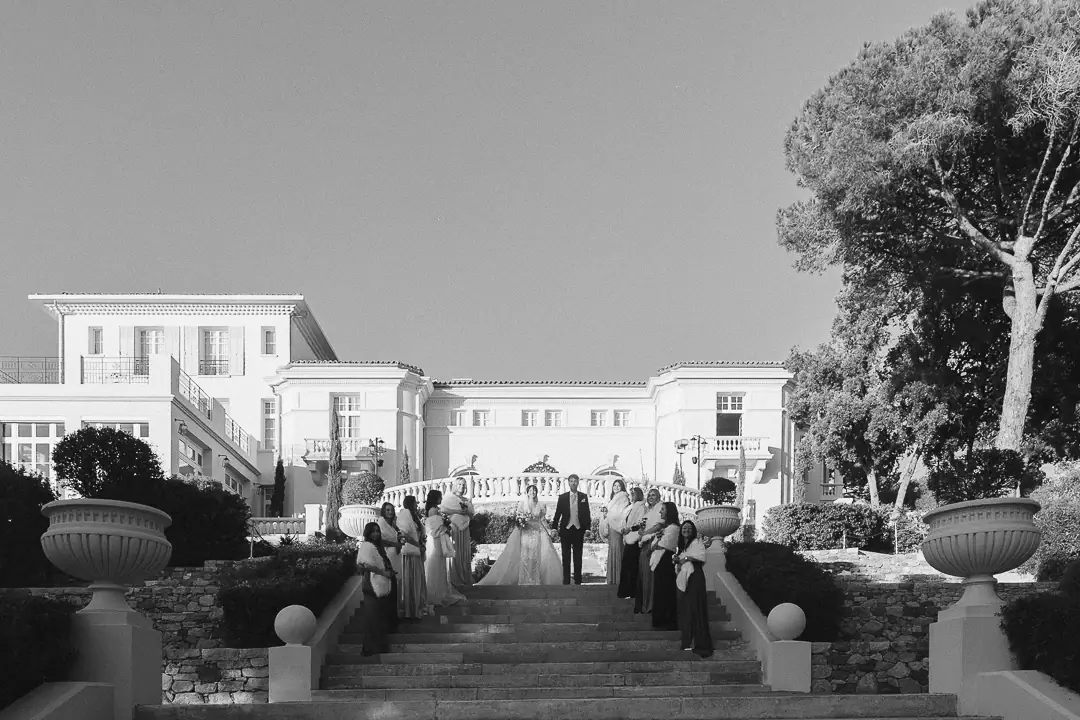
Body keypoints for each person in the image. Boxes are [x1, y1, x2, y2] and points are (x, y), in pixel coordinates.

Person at [477, 484, 563, 585]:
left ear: (536, 492)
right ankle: (525, 578)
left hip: (538, 533)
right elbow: (518, 517)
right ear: (527, 492)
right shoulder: (522, 505)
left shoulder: (541, 505)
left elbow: (542, 520)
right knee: (525, 555)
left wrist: (549, 531)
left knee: (537, 556)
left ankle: (536, 579)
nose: (532, 492)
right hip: (525, 533)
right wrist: (521, 522)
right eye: (530, 490)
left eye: (534, 490)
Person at [355, 521, 396, 656]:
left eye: (377, 531)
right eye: (373, 531)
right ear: (368, 533)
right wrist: (383, 573)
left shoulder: (378, 547)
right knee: (372, 617)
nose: (376, 534)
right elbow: (365, 565)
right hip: (371, 585)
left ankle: (380, 646)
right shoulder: (367, 546)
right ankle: (370, 648)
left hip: (382, 585)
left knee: (380, 617)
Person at [676, 520, 714, 657]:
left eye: (689, 528)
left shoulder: (697, 542)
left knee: (695, 608)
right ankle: (687, 641)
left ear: (693, 530)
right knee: (686, 610)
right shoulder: (682, 546)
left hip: (695, 578)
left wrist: (686, 558)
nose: (686, 530)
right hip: (685, 579)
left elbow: (700, 557)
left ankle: (699, 643)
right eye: (684, 528)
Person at [423, 489, 466, 608]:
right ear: (436, 498)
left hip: (435, 540)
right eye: (440, 497)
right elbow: (435, 529)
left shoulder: (432, 510)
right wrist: (446, 528)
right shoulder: (434, 510)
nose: (441, 499)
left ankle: (438, 591)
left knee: (437, 565)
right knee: (435, 564)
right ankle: (436, 593)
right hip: (436, 541)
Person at [551, 474, 592, 585]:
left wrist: (588, 528)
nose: (573, 483)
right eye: (571, 481)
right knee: (566, 557)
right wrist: (554, 527)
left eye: (575, 481)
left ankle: (578, 581)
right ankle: (566, 581)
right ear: (568, 483)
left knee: (578, 557)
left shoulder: (583, 497)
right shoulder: (562, 497)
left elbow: (587, 514)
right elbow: (557, 514)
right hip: (566, 530)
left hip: (579, 530)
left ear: (578, 483)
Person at [650, 502, 681, 630]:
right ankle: (660, 619)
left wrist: (658, 541)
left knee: (666, 591)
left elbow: (663, 545)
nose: (660, 512)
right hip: (660, 561)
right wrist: (657, 540)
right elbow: (653, 545)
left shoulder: (674, 528)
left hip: (666, 560)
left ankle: (667, 620)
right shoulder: (666, 528)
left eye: (663, 509)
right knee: (660, 591)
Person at [441, 477, 475, 588]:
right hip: (454, 528)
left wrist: (467, 512)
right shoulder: (449, 497)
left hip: (465, 529)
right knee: (455, 552)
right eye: (459, 484)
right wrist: (458, 511)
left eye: (464, 485)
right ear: (455, 485)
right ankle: (454, 578)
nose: (462, 486)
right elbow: (444, 510)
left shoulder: (467, 500)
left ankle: (465, 577)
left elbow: (472, 515)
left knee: (464, 552)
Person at [397, 495, 427, 619]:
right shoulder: (404, 515)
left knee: (417, 579)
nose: (417, 503)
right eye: (415, 502)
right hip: (409, 553)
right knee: (409, 580)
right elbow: (405, 535)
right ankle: (409, 609)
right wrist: (418, 545)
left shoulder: (415, 517)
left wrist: (422, 544)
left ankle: (416, 607)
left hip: (417, 552)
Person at [635, 488, 664, 613]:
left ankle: (651, 606)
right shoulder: (648, 511)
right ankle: (645, 605)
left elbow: (659, 525)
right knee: (644, 577)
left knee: (650, 577)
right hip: (644, 543)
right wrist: (641, 532)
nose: (651, 497)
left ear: (658, 496)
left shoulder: (660, 508)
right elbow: (643, 526)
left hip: (653, 544)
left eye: (654, 495)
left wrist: (646, 533)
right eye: (649, 495)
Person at [376, 502, 402, 632]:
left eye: (391, 510)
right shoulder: (381, 523)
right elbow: (379, 540)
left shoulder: (393, 525)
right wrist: (394, 544)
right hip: (388, 556)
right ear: (383, 511)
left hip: (396, 556)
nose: (390, 512)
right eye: (387, 510)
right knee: (389, 587)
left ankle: (394, 617)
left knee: (396, 587)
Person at [617, 487, 646, 599]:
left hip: (634, 539)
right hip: (628, 538)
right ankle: (625, 591)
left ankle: (632, 591)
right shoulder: (630, 507)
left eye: (632, 494)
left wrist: (630, 529)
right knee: (626, 566)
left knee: (632, 567)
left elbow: (641, 524)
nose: (630, 496)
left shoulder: (641, 507)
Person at [602, 479, 631, 586]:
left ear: (622, 487)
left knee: (617, 550)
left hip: (616, 526)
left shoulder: (623, 497)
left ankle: (618, 578)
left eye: (619, 485)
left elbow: (621, 513)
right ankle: (612, 577)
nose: (616, 487)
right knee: (612, 550)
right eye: (615, 485)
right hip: (611, 526)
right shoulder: (613, 498)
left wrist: (609, 515)